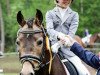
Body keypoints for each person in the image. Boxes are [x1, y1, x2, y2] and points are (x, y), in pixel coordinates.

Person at [45, 0, 90, 75]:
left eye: (69, 0)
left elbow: (71, 34)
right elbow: (49, 30)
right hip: (51, 48)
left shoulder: (74, 15)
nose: (66, 1)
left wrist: (59, 44)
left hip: (68, 49)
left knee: (83, 72)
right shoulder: (50, 13)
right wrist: (59, 35)